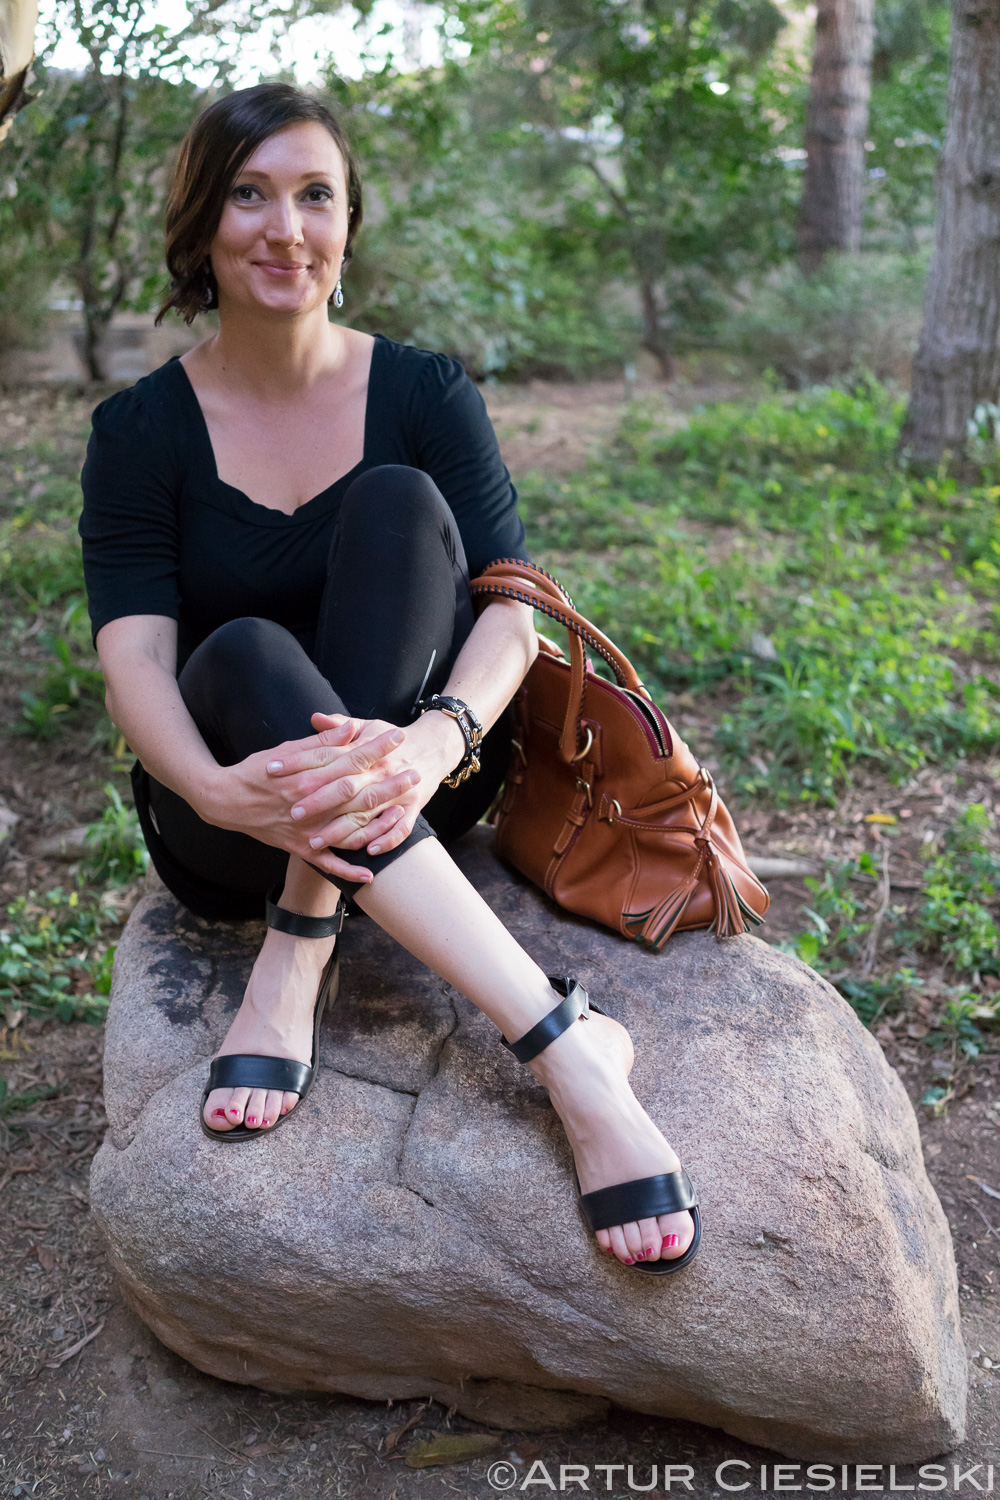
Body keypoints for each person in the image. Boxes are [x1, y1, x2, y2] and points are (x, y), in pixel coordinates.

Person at [79, 82, 699, 1276]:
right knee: (243, 650)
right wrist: (209, 789)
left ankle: (309, 940)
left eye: (315, 195)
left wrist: (436, 740)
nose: (285, 228)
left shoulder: (424, 393)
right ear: (202, 223)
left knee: (401, 503)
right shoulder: (140, 431)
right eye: (249, 195)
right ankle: (567, 1042)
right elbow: (137, 656)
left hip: (425, 780)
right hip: (231, 818)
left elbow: (515, 604)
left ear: (348, 223)